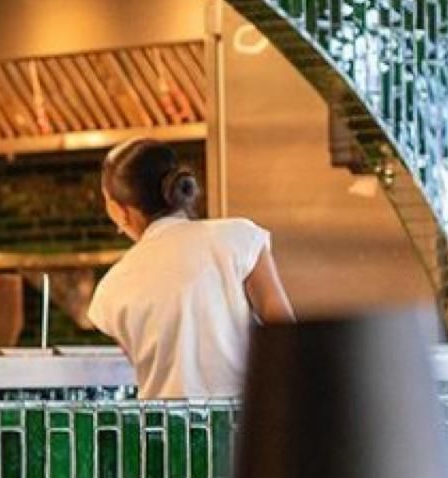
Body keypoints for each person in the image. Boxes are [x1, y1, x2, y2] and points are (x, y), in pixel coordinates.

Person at [86, 138, 293, 400]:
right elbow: (288, 336)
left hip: (162, 423)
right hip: (246, 417)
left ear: (120, 212)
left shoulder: (111, 289)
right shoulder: (238, 238)